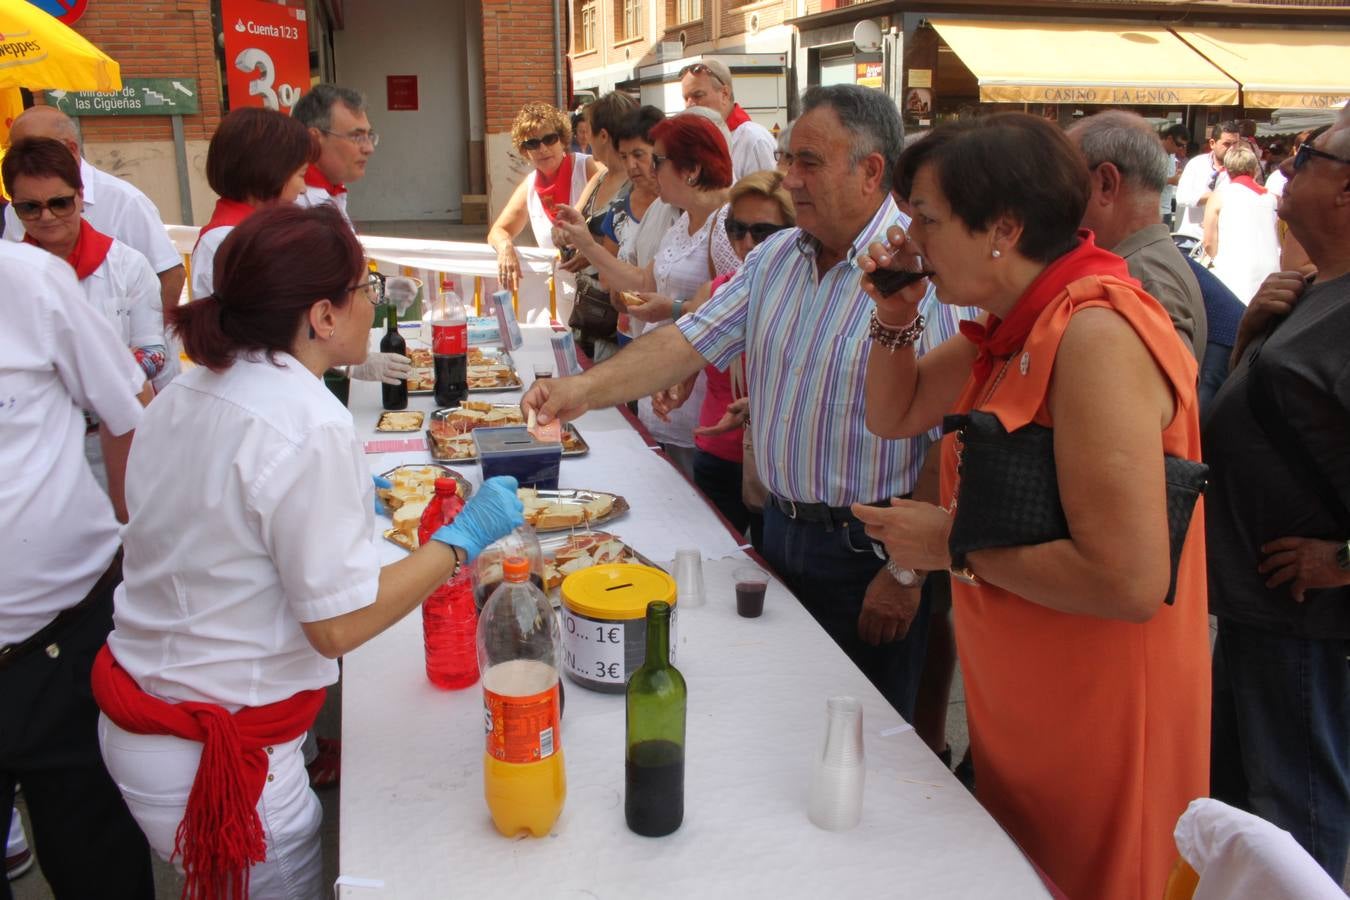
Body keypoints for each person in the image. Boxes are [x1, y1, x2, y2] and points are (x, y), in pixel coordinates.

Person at [92, 204, 525, 899]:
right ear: (322, 316)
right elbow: (338, 626)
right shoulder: (305, 419)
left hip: (154, 710)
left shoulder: (189, 390)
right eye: (364, 291)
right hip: (220, 751)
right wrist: (460, 541)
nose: (371, 306)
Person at [524, 85, 968, 720]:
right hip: (780, 533)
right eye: (788, 159)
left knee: (866, 739)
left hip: (871, 552)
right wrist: (579, 392)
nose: (790, 177)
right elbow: (686, 341)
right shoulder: (779, 257)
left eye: (808, 162)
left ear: (871, 170)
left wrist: (905, 574)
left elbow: (952, 434)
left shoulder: (924, 267)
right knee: (778, 716)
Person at [851, 113, 1210, 898]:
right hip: (1029, 703)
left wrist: (951, 545)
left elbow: (1128, 580)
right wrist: (893, 312)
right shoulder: (1018, 326)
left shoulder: (1094, 332)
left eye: (928, 219)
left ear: (1002, 230)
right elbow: (894, 412)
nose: (910, 237)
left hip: (1097, 713)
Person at [1203, 110, 1350, 882]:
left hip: (1309, 629)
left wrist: (1344, 558)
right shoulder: (1312, 290)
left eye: (1307, 155)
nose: (1287, 166)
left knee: (1297, 828)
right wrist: (1255, 331)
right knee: (1249, 819)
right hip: (1260, 614)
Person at [1, 239, 156, 900]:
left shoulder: (29, 282)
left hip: (56, 644)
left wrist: (137, 540)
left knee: (99, 869)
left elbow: (128, 407)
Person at [552, 113, 738, 479]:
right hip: (666, 381)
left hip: (697, 391)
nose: (651, 171)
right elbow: (642, 279)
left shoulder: (727, 224)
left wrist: (672, 308)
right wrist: (586, 243)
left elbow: (735, 311)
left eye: (658, 161)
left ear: (692, 170)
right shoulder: (683, 219)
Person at [5, 106, 186, 390]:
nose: (46, 217)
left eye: (59, 203)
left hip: (131, 408)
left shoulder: (127, 244)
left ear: (79, 197)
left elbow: (168, 282)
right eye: (29, 208)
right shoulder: (10, 271)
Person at [665, 170, 796, 545]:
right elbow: (690, 354)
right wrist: (676, 385)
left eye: (763, 232)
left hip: (778, 468)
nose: (747, 242)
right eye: (737, 230)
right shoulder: (716, 291)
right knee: (713, 564)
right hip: (718, 454)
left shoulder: (807, 300)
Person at [1070, 110, 1207, 362]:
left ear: (1106, 183)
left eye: (1068, 180)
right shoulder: (1140, 264)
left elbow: (1164, 396)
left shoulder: (1142, 276)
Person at [556, 92, 637, 360]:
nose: (584, 139)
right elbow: (573, 221)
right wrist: (562, 234)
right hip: (589, 315)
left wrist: (591, 249)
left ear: (603, 135)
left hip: (615, 318)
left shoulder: (637, 183)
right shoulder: (601, 176)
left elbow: (635, 244)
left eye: (587, 131)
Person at [487, 102, 599, 296]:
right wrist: (505, 247)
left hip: (599, 293)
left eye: (549, 139)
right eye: (532, 143)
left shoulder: (588, 168)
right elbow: (498, 230)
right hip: (558, 295)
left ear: (563, 140)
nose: (542, 148)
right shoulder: (529, 186)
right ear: (525, 151)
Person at [291, 84, 377, 227]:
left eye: (370, 136)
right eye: (356, 136)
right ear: (314, 139)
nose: (369, 148)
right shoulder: (292, 209)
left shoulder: (332, 191)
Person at [1203, 145, 1280, 305]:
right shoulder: (1273, 198)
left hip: (1232, 272)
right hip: (1271, 271)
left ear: (1227, 170)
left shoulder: (1219, 197)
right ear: (1254, 169)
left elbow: (1209, 242)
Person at [679, 58, 777, 180]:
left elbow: (768, 196)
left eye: (698, 95)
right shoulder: (698, 140)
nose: (689, 105)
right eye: (686, 98)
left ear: (724, 94)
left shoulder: (754, 140)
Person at [1175, 120, 1242, 240]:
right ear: (1212, 143)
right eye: (1227, 144)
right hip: (1192, 238)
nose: (1232, 149)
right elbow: (1182, 198)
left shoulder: (1241, 168)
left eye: (1236, 144)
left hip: (1223, 239)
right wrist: (1216, 196)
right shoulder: (1196, 164)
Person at [1159, 123, 1190, 227]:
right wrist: (1171, 180)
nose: (1180, 148)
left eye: (1184, 146)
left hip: (1166, 208)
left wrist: (1177, 176)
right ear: (1170, 139)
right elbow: (1144, 179)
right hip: (1154, 210)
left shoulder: (1171, 155)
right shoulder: (1153, 152)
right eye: (1179, 144)